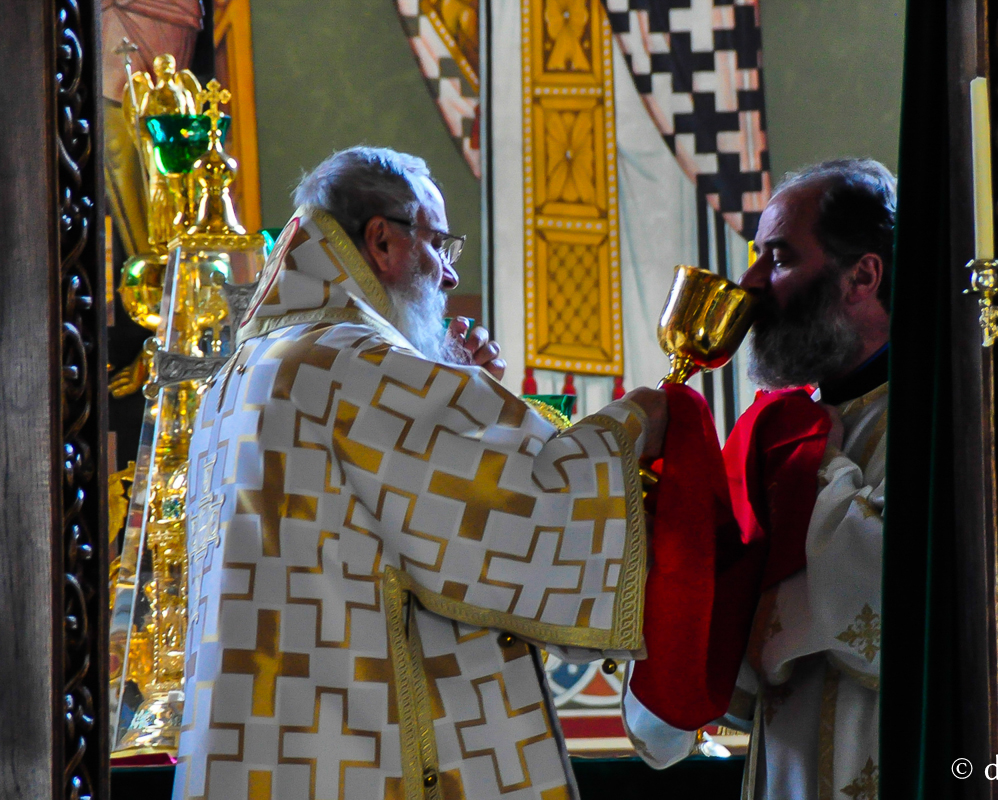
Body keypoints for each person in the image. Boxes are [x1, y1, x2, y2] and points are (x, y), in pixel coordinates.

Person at [174, 147, 667, 800]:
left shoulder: (240, 376)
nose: (447, 271)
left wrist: (459, 387)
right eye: (439, 242)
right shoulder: (349, 363)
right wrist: (637, 425)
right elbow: (530, 505)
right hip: (361, 763)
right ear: (382, 239)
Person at [622, 159, 895, 799]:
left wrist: (808, 464)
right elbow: (739, 672)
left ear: (863, 275)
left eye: (776, 258)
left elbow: (884, 591)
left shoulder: (949, 418)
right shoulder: (780, 432)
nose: (749, 284)